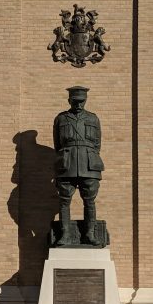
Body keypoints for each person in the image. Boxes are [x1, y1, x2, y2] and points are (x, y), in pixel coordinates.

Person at [53, 85, 104, 245]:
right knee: (64, 200)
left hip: (89, 164)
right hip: (67, 164)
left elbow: (97, 144)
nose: (79, 105)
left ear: (86, 100)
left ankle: (90, 234)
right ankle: (65, 235)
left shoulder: (93, 118)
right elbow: (57, 145)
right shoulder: (61, 118)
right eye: (75, 101)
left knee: (89, 200)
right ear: (69, 100)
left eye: (82, 102)